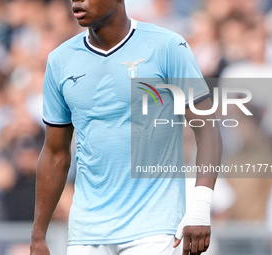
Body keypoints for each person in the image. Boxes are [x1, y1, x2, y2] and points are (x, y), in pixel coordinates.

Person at [30, 0, 222, 254]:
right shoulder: (59, 61)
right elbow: (55, 153)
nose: (77, 0)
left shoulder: (167, 46)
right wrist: (38, 235)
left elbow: (207, 129)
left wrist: (199, 208)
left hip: (155, 227)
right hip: (87, 232)